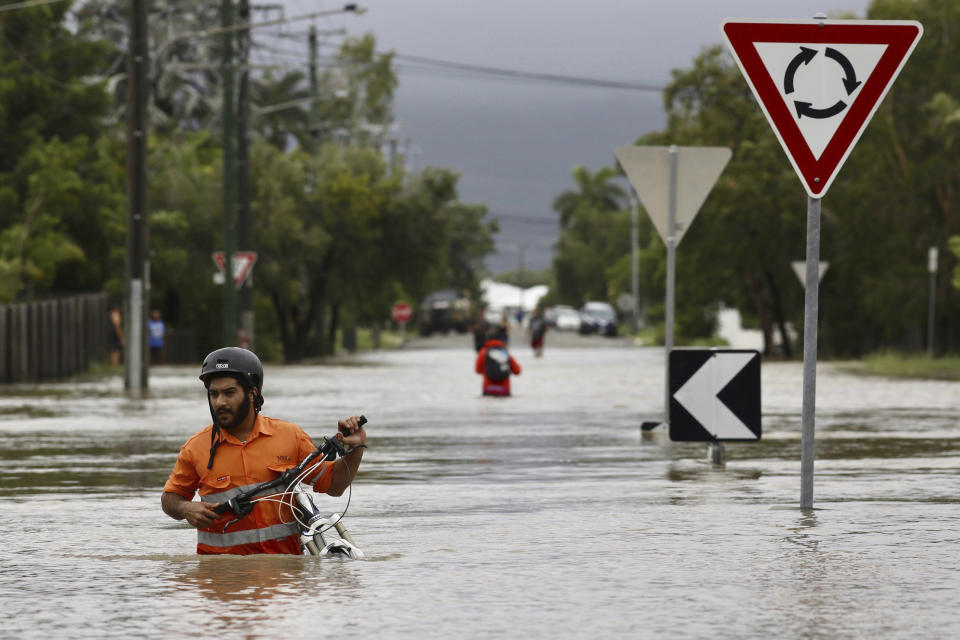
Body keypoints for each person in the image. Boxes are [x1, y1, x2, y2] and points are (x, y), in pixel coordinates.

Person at [161, 347, 368, 555]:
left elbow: (335, 485)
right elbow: (170, 499)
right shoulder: (195, 448)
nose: (220, 402)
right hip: (222, 580)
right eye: (214, 394)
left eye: (229, 393)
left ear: (253, 394)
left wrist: (355, 448)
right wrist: (185, 509)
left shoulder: (290, 436)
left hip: (284, 580)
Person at [475, 329, 521, 396]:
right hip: (504, 389)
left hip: (488, 389)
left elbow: (477, 371)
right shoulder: (505, 353)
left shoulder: (483, 353)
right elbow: (517, 371)